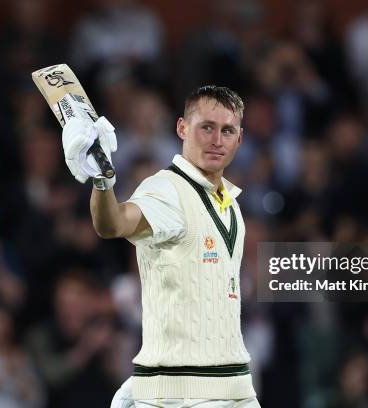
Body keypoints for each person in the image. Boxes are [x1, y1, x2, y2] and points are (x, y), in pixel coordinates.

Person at [61, 85, 260, 407]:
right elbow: (113, 224)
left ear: (240, 138)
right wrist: (102, 181)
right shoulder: (166, 189)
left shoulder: (229, 201)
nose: (217, 140)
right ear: (182, 127)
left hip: (232, 384)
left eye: (227, 130)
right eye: (206, 127)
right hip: (185, 393)